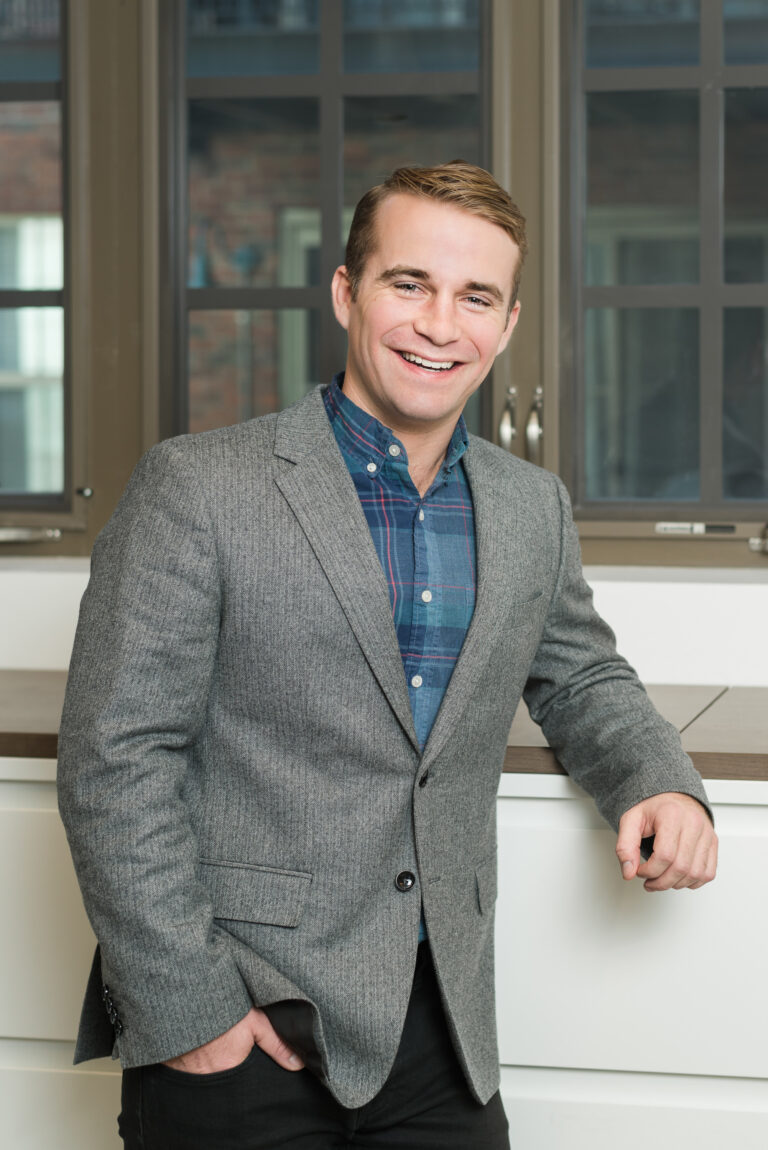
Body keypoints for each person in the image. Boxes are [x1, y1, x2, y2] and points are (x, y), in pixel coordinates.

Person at [57, 161, 717, 1150]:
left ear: (508, 323)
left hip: (441, 1031)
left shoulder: (531, 506)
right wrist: (188, 1012)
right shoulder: (196, 487)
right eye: (409, 284)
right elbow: (114, 755)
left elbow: (581, 677)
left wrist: (660, 780)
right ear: (346, 292)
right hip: (243, 1017)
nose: (439, 324)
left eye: (475, 297)